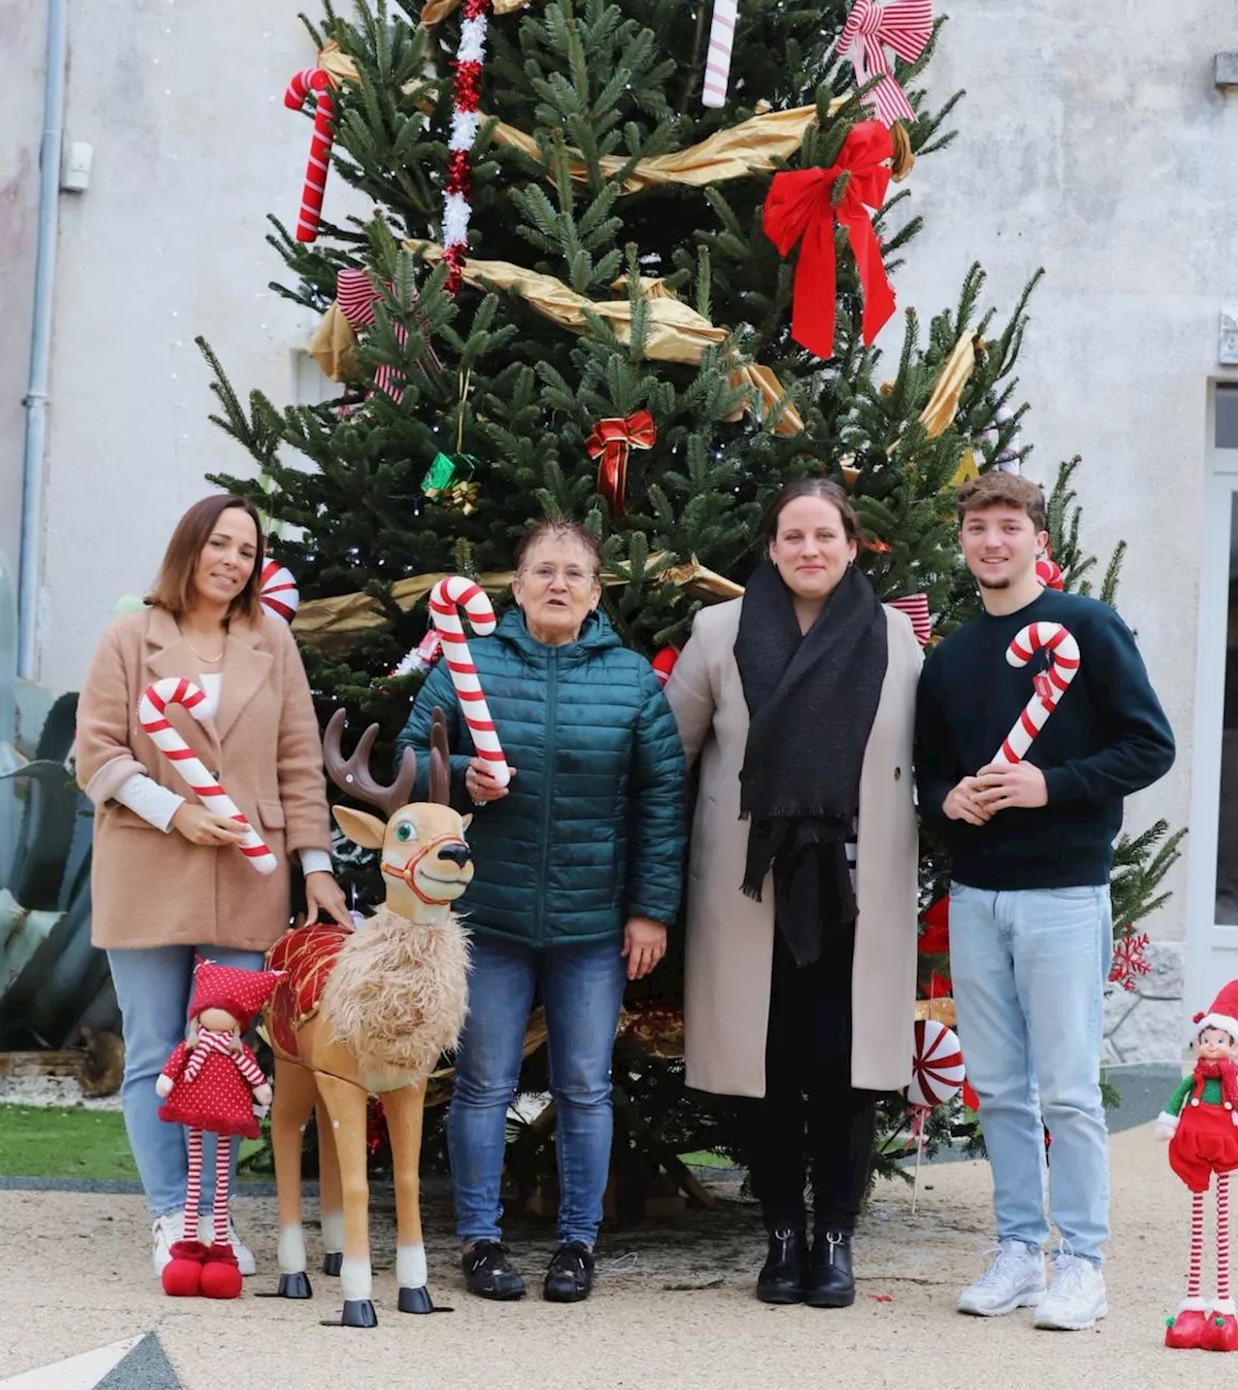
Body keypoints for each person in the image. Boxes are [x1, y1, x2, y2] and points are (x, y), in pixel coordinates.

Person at [396, 516, 686, 1304]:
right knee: (484, 1082)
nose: (558, 583)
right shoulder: (468, 666)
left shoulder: (629, 680)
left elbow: (661, 799)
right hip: (486, 914)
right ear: (515, 585)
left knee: (585, 1084)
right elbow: (405, 758)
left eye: (575, 573)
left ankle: (577, 1243)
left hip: (592, 923)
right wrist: (461, 775)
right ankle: (482, 1239)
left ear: (596, 591)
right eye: (543, 570)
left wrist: (650, 909)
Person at [914, 472, 1175, 1330]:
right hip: (978, 896)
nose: (993, 541)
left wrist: (1048, 784)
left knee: (1066, 1086)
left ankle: (1082, 1262)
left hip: (1064, 891)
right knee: (997, 1087)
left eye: (1009, 526)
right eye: (978, 528)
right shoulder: (950, 659)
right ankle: (1020, 1248)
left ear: (1037, 536)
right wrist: (946, 800)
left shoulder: (1088, 629)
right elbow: (930, 773)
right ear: (963, 542)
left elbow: (1150, 744)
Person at [77, 494, 351, 1280]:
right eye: (220, 544)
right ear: (189, 548)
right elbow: (93, 753)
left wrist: (319, 866)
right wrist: (176, 813)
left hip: (247, 872)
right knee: (156, 1049)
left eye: (247, 549)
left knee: (222, 1052)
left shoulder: (273, 641)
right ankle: (171, 1214)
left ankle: (212, 1214)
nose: (233, 560)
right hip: (146, 863)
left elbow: (301, 762)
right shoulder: (131, 637)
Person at [664, 479, 922, 1308]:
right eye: (792, 536)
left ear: (852, 544)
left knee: (847, 1071)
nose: (810, 549)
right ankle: (781, 1235)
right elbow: (671, 757)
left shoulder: (895, 637)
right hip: (751, 890)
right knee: (766, 1068)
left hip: (856, 890)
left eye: (825, 535)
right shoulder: (719, 631)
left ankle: (836, 1237)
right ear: (771, 547)